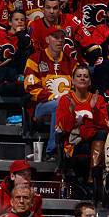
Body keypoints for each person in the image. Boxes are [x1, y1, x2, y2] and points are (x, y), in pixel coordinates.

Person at [55, 64, 109, 201]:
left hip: (94, 141)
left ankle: (93, 175)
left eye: (86, 76)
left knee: (101, 134)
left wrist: (94, 109)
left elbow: (104, 125)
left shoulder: (98, 99)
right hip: (74, 143)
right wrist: (71, 112)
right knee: (86, 146)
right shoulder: (65, 99)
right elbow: (64, 128)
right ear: (72, 80)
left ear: (90, 81)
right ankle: (92, 178)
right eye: (79, 76)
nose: (82, 78)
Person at [24, 25, 77, 160]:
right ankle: (52, 150)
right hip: (41, 107)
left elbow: (78, 87)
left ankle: (64, 151)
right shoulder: (35, 59)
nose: (60, 41)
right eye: (55, 37)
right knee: (59, 104)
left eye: (62, 38)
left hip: (68, 106)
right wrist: (54, 96)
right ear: (47, 39)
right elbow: (31, 88)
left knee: (61, 105)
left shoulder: (71, 62)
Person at [0, 9, 32, 99]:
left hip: (16, 69)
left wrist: (19, 33)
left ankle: (16, 81)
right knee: (2, 72)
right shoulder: (0, 34)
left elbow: (25, 47)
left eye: (22, 20)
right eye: (16, 20)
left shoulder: (25, 36)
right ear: (10, 22)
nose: (19, 22)